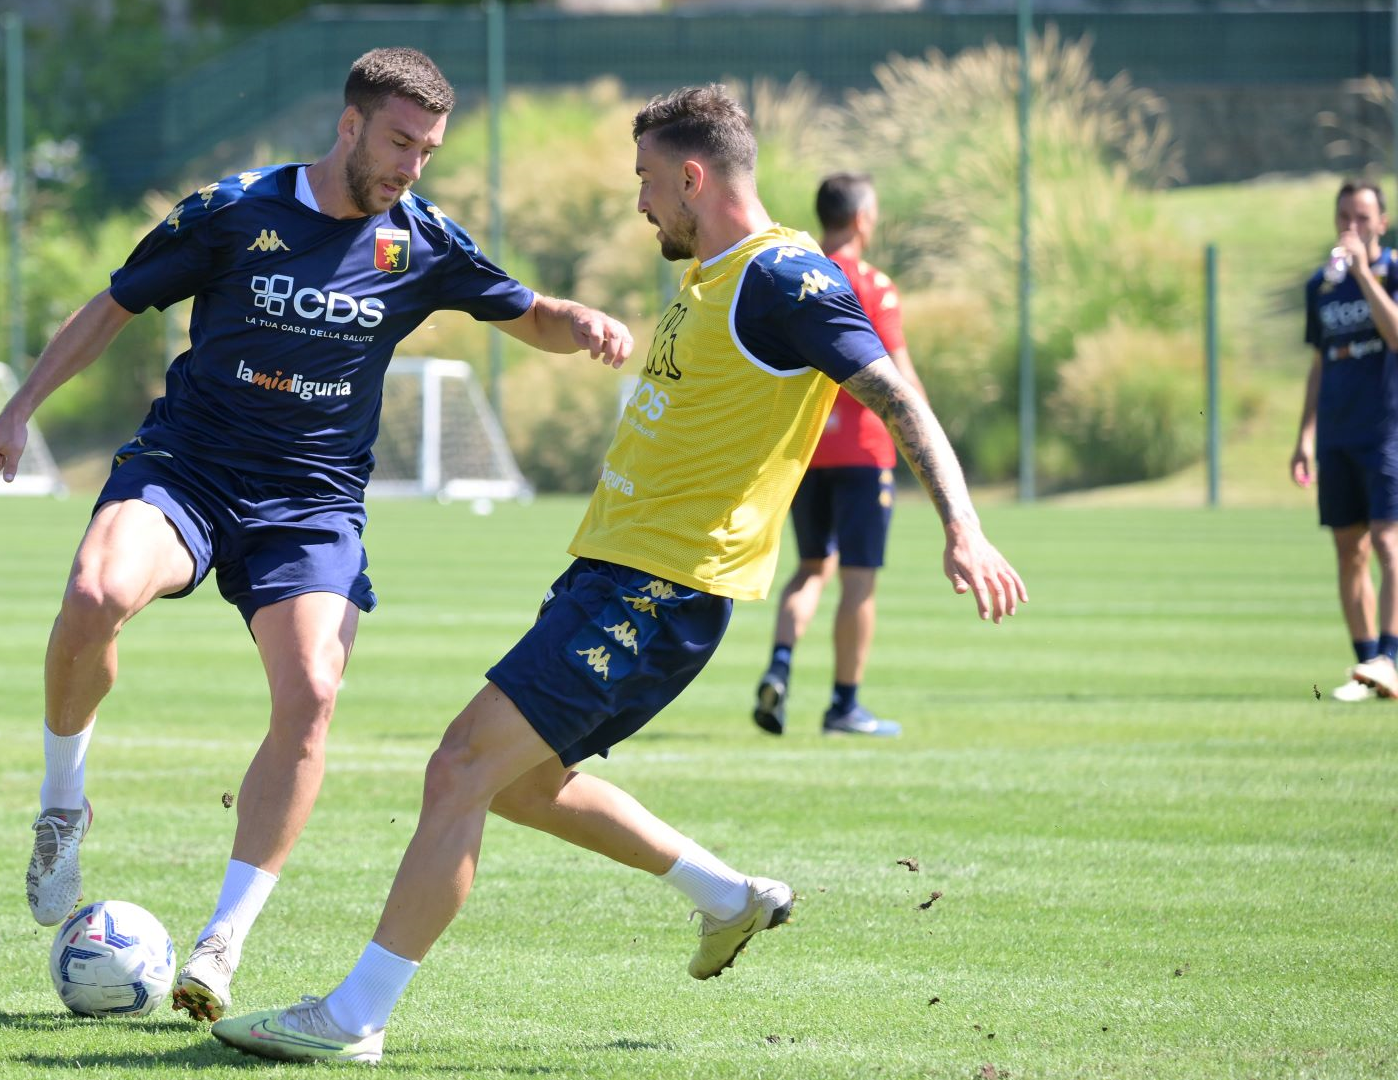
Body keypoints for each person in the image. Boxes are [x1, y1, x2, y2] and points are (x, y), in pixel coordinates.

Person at [211, 84, 1027, 1065]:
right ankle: (726, 897)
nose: (639, 201)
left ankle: (355, 1017)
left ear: (693, 177)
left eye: (647, 180)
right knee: (520, 785)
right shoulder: (715, 274)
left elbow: (894, 392)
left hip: (659, 588)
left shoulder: (784, 280)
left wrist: (963, 528)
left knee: (460, 767)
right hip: (615, 574)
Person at [0, 46, 633, 1024]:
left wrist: (576, 319)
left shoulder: (421, 240)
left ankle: (223, 941)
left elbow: (526, 312)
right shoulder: (233, 211)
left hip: (311, 505)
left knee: (313, 694)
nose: (412, 166)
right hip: (189, 469)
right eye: (400, 143)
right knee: (95, 595)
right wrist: (18, 409)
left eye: (429, 150)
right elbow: (113, 306)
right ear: (349, 124)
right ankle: (64, 802)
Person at [753, 172, 927, 738]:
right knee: (857, 581)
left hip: (805, 452)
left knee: (810, 569)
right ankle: (844, 705)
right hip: (863, 454)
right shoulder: (873, 285)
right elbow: (899, 376)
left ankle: (780, 666)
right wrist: (930, 442)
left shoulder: (796, 276)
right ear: (860, 219)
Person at [1291, 179, 1398, 701]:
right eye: (1343, 217)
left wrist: (1362, 274)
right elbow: (1320, 363)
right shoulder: (1322, 285)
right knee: (1347, 548)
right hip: (1337, 434)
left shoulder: (1392, 272)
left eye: (1361, 217)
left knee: (1388, 541)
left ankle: (1391, 658)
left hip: (1386, 432)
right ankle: (1367, 665)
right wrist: (1305, 436)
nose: (1351, 226)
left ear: (1382, 222)